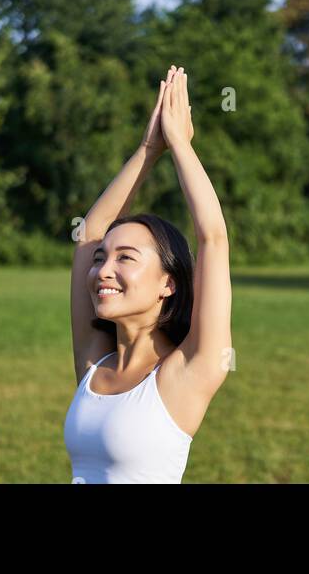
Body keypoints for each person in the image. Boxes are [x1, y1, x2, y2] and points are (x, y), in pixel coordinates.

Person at [63, 66, 231, 484]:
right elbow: (88, 234)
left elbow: (213, 239)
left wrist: (180, 146)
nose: (103, 270)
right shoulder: (93, 364)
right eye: (102, 259)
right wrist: (146, 149)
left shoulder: (187, 372)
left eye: (126, 258)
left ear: (167, 283)